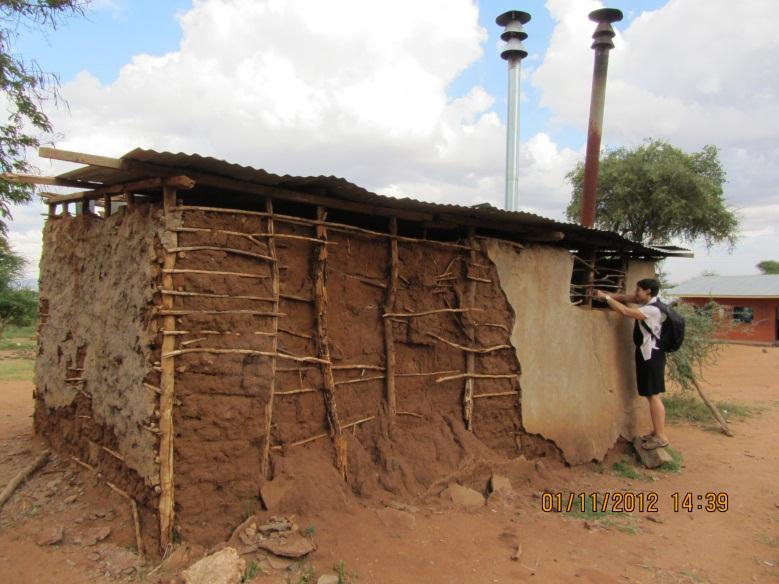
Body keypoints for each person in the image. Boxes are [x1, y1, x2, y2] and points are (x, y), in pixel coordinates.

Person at [594, 279, 669, 450]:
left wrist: (605, 298)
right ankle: (657, 432)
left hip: (651, 356)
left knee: (653, 396)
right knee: (652, 394)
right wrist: (608, 295)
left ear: (648, 291)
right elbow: (627, 298)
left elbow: (625, 311)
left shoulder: (651, 310)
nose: (635, 293)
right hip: (652, 354)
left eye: (639, 290)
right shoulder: (654, 303)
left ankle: (661, 436)